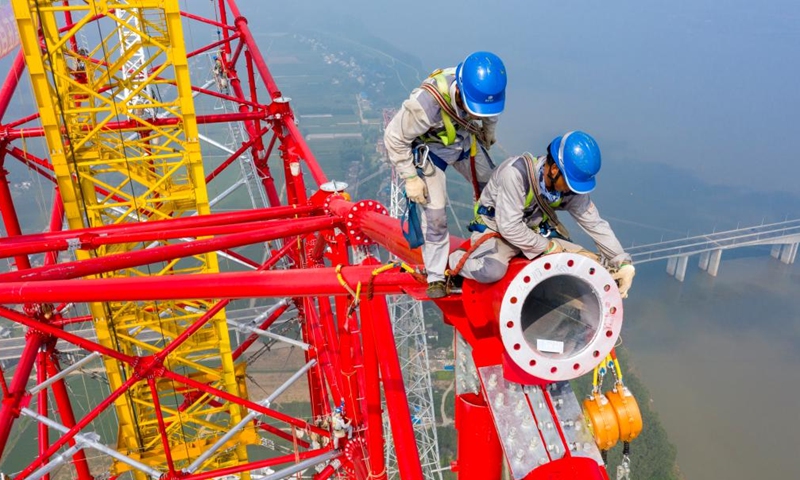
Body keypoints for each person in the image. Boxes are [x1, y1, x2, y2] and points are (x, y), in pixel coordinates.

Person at [448, 131, 636, 298]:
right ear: (554, 170)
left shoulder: (569, 188)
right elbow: (509, 227)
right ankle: (457, 261)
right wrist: (547, 247)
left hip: (534, 231)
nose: (572, 191)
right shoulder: (515, 174)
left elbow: (595, 224)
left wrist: (622, 262)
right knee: (491, 271)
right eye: (570, 183)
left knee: (586, 264)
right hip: (498, 231)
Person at [384, 51, 508, 298]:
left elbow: (489, 111)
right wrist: (410, 177)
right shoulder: (426, 104)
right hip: (433, 151)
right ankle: (436, 276)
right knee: (436, 216)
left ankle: (497, 242)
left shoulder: (484, 90)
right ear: (460, 92)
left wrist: (488, 130)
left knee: (495, 190)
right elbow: (394, 137)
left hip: (463, 142)